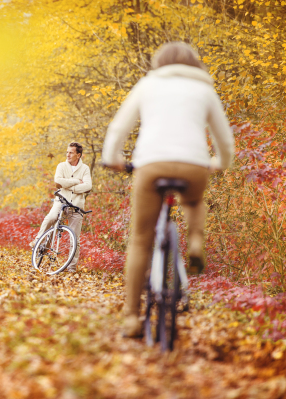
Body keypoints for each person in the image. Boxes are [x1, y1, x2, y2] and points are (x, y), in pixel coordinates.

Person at [101, 42, 234, 337]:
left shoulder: (148, 85)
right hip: (194, 165)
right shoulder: (204, 90)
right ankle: (195, 239)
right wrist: (219, 163)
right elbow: (224, 140)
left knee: (140, 240)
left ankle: (132, 318)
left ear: (158, 62)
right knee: (194, 201)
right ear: (194, 63)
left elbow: (118, 128)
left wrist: (112, 159)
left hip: (151, 165)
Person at [30, 142, 93, 273]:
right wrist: (76, 182)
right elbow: (58, 182)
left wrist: (69, 186)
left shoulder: (85, 169)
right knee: (51, 217)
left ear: (78, 155)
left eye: (71, 152)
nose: (68, 155)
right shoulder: (61, 166)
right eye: (67, 152)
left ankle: (71, 267)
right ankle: (38, 241)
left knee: (75, 238)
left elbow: (88, 186)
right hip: (61, 201)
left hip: (76, 206)